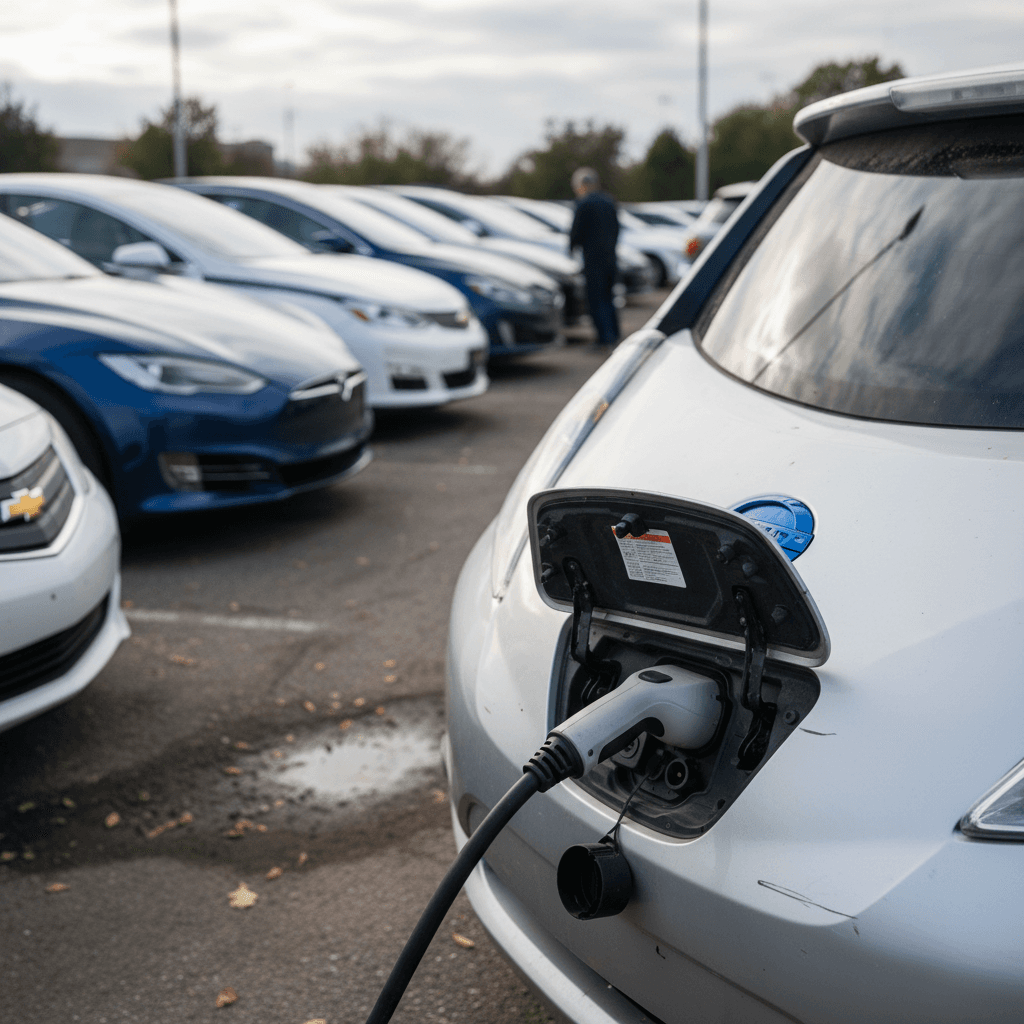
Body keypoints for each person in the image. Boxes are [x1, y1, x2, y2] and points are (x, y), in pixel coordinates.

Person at [569, 166, 620, 348]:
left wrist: (570, 250)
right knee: (609, 297)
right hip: (610, 257)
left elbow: (576, 232)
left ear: (582, 186)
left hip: (593, 259)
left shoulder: (583, 204)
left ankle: (604, 338)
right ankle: (614, 333)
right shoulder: (609, 201)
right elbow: (616, 229)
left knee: (596, 300)